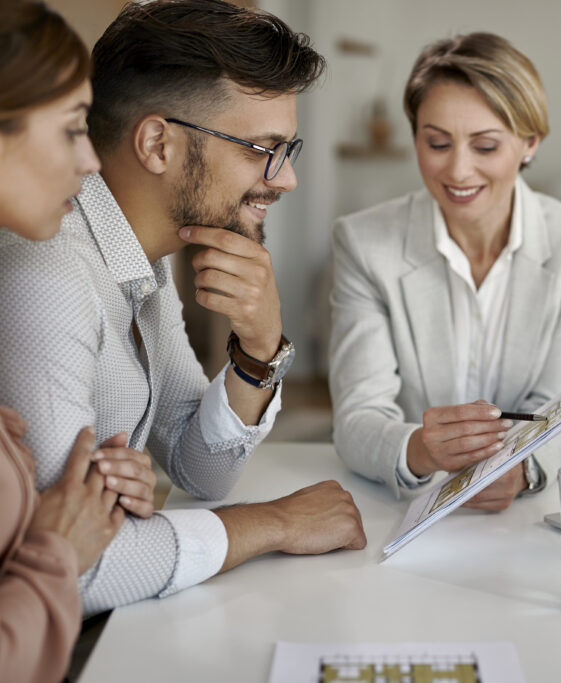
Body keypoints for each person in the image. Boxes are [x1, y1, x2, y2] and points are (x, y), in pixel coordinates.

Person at [0, 0, 366, 618]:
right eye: (261, 148)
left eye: (288, 150)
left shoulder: (142, 256)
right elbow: (76, 570)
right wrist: (274, 523)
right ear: (157, 143)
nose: (286, 179)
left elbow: (200, 468)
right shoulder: (49, 275)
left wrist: (260, 349)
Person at [329, 32, 561, 510]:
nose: (458, 171)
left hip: (521, 519)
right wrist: (420, 450)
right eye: (437, 142)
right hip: (400, 505)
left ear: (529, 143)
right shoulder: (363, 243)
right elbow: (357, 418)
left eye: (485, 146)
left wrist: (522, 469)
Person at [0, 3, 150, 681]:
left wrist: (100, 498)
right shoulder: (43, 273)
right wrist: (54, 553)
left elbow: (200, 460)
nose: (91, 162)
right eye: (70, 130)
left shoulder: (148, 271)